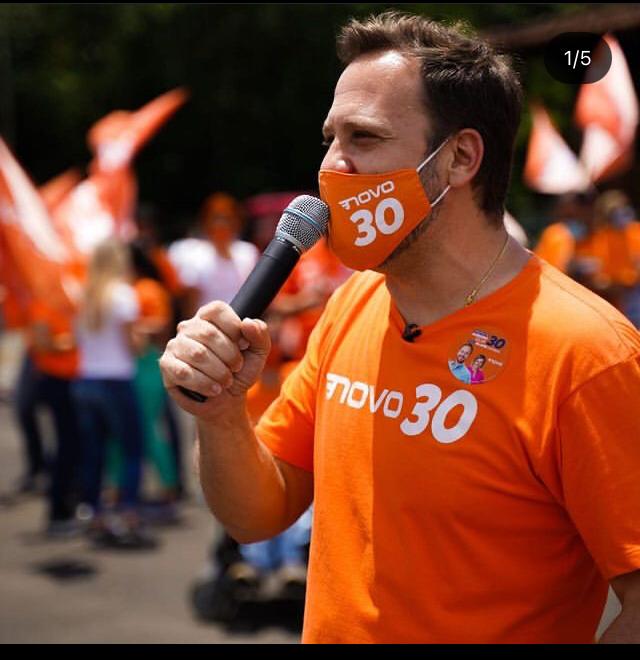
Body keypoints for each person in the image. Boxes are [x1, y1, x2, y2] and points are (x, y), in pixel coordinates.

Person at [160, 12, 640, 643]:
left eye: (363, 137)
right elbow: (259, 513)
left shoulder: (588, 354)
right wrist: (222, 416)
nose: (334, 167)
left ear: (461, 158)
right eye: (331, 138)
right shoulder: (353, 303)